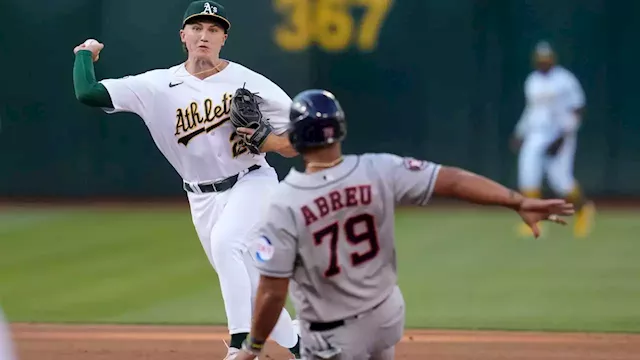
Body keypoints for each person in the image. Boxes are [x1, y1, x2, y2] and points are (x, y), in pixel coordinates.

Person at [235, 89, 575, 360]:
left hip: (331, 336)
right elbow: (453, 181)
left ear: (295, 137)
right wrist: (516, 201)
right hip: (386, 315)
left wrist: (252, 345)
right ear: (340, 129)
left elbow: (272, 291)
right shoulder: (379, 169)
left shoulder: (285, 202)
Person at [71, 1, 301, 359]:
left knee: (228, 245)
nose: (204, 35)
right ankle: (303, 347)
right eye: (197, 28)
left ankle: (241, 347)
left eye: (213, 29)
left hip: (252, 181)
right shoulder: (156, 85)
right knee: (252, 284)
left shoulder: (250, 82)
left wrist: (267, 140)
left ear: (224, 38)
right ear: (183, 36)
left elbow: (298, 140)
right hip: (200, 198)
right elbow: (88, 93)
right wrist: (84, 54)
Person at [511, 40, 595, 238]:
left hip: (559, 133)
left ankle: (584, 210)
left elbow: (578, 109)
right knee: (528, 175)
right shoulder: (532, 80)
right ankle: (533, 217)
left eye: (546, 59)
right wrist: (520, 132)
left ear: (553, 59)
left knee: (560, 180)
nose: (543, 62)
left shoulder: (564, 79)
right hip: (535, 132)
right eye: (540, 59)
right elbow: (531, 109)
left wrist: (563, 137)